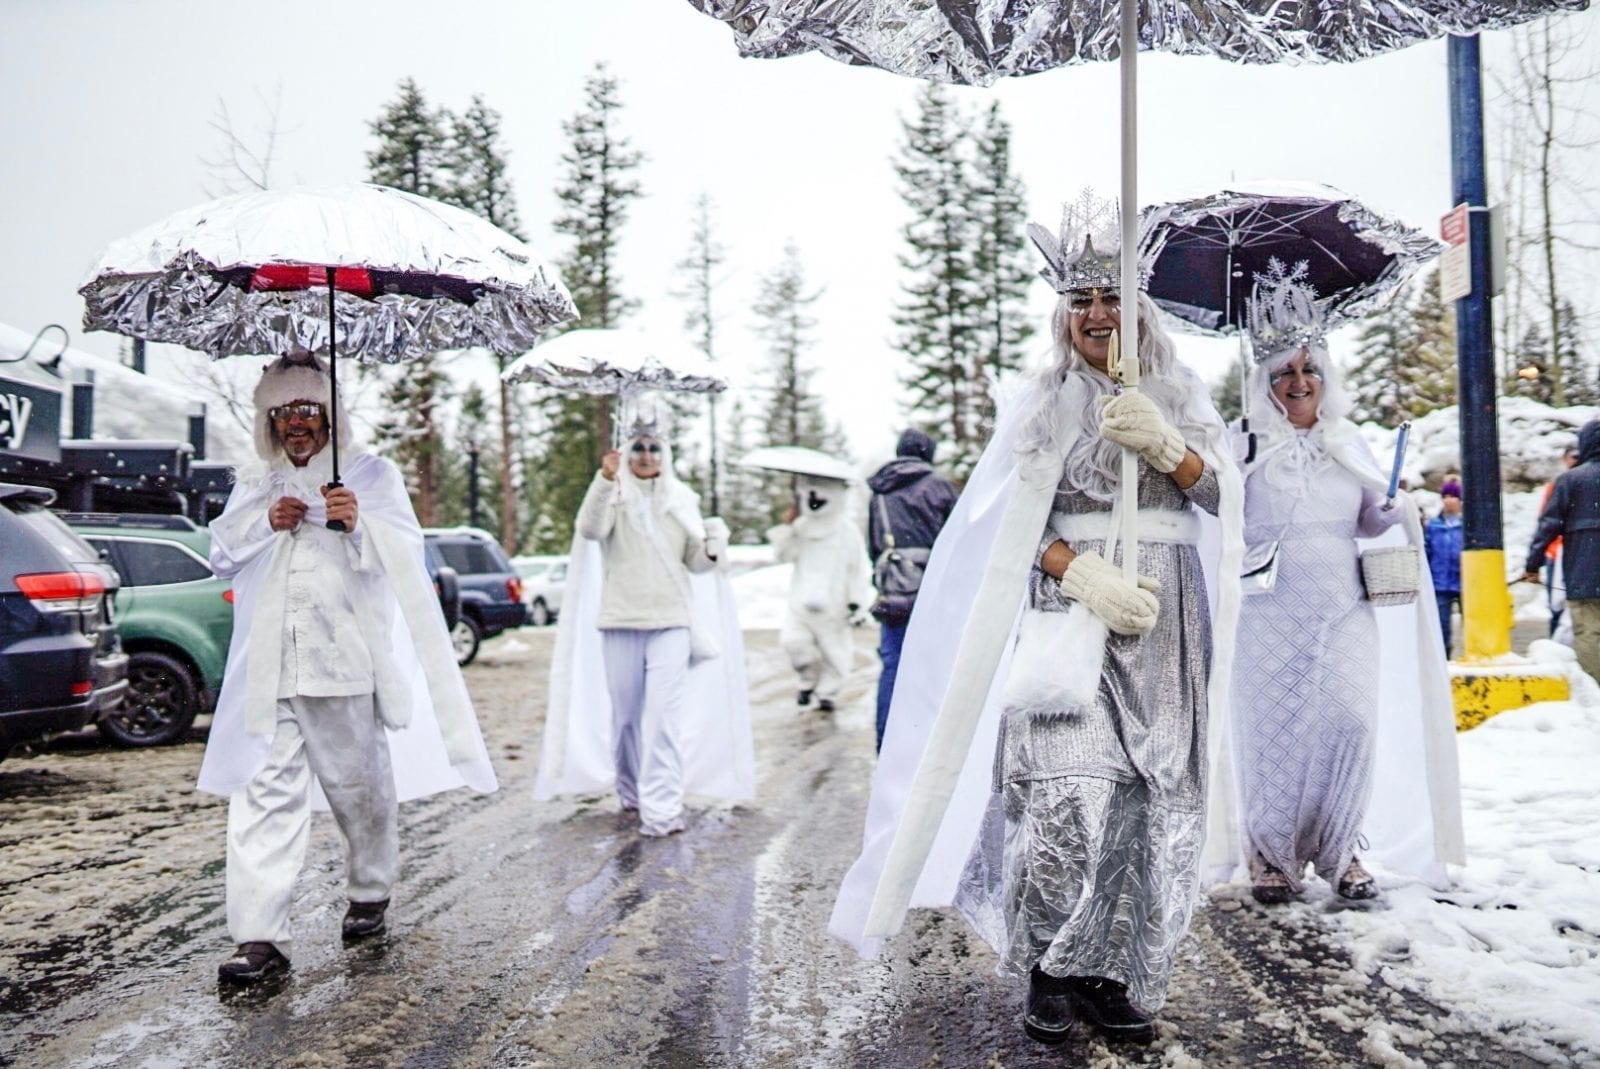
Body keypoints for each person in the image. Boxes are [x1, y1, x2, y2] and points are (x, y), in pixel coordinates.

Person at [830, 196, 1246, 1047]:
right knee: (1066, 796)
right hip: (1069, 619)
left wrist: (1170, 447)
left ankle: (1108, 971)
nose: (1097, 314)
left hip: (1167, 621)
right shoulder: (1043, 402)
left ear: (1140, 307)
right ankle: (1048, 967)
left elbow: (1223, 497)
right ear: (1066, 314)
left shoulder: (1180, 392)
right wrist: (1076, 569)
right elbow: (1001, 525)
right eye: (1081, 299)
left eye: (1111, 296)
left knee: (1143, 801)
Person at [200, 354, 497, 985]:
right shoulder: (256, 481)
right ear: (270, 421)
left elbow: (406, 554)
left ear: (329, 414)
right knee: (262, 796)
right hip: (270, 668)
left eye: (307, 410)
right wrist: (265, 521)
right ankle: (260, 938)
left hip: (344, 663)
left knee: (358, 791)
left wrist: (358, 525)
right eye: (283, 413)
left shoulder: (371, 474)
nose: (296, 424)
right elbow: (221, 553)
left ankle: (369, 890)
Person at [1229, 263, 1463, 909]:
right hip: (1267, 610)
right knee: (1274, 730)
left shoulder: (1349, 440)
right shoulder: (1241, 444)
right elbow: (1218, 522)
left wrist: (1393, 509)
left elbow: (1368, 516)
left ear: (1327, 378)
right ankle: (1270, 856)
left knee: (1349, 721)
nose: (1299, 381)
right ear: (1264, 380)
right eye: (1285, 371)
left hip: (1342, 603)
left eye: (1310, 370)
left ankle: (1342, 849)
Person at [535, 408, 755, 836]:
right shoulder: (615, 494)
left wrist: (713, 544)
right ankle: (631, 792)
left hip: (672, 622)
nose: (647, 455)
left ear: (665, 454)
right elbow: (591, 530)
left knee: (664, 717)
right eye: (639, 447)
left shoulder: (681, 499)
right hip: (620, 621)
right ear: (628, 452)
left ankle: (663, 808)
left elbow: (695, 563)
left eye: (654, 448)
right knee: (627, 718)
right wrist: (604, 478)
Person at [866, 429, 956, 749]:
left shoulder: (880, 490)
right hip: (934, 588)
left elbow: (874, 544)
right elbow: (957, 540)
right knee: (937, 665)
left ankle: (887, 744)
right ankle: (929, 746)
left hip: (895, 589)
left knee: (893, 665)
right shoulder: (939, 486)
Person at [769, 474, 873, 715]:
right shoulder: (801, 527)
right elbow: (783, 555)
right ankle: (806, 681)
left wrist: (856, 602)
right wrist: (788, 527)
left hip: (834, 608)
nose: (815, 496)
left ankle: (827, 694)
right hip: (800, 605)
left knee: (835, 655)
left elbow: (857, 570)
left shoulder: (848, 532)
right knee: (795, 644)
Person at [1524, 420, 1600, 681]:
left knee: (1589, 632)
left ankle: (1595, 690)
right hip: (1584, 571)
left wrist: (1533, 564)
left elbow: (1548, 525)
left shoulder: (1570, 480)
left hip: (1584, 573)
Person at [1539, 445, 1581, 636]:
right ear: (1565, 458)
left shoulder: (1566, 482)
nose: (1575, 460)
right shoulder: (1559, 484)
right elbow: (1547, 520)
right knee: (1557, 606)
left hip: (1577, 552)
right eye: (1572, 456)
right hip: (1557, 552)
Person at [1424, 479, 1464, 657]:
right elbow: (1427, 551)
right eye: (1446, 496)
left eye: (1453, 496)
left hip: (1465, 582)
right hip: (1440, 582)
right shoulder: (1433, 525)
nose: (1449, 500)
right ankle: (1444, 658)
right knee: (1441, 625)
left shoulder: (1468, 525)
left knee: (1471, 623)